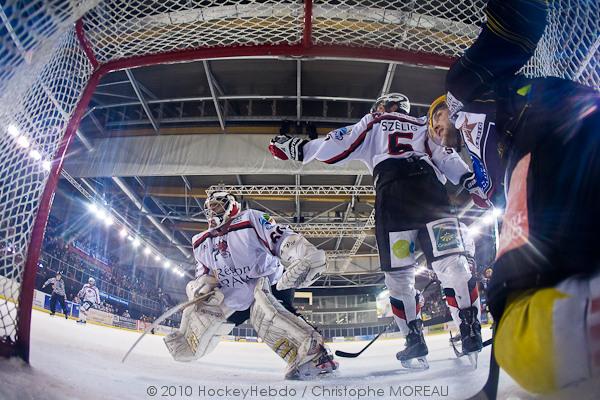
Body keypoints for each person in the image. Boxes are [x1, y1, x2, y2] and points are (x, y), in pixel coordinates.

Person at [433, 0, 600, 394]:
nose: (437, 129)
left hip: (552, 128)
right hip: (562, 153)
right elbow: (491, 195)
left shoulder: (464, 100)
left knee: (522, 323)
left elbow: (515, 27)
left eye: (435, 119)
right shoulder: (479, 169)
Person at [269, 93, 487, 368]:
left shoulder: (375, 120)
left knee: (399, 276)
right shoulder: (423, 122)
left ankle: (414, 341)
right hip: (431, 193)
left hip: (393, 197)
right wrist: (471, 181)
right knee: (451, 262)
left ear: (382, 106)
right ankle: (470, 331)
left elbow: (340, 145)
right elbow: (445, 153)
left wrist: (300, 149)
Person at [164, 191, 338, 380]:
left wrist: (304, 254)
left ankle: (317, 353)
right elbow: (203, 273)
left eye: (217, 206)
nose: (213, 212)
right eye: (210, 208)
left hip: (270, 281)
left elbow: (281, 238)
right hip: (235, 294)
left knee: (267, 313)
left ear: (231, 205)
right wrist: (201, 287)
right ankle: (189, 343)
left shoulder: (249, 220)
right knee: (205, 317)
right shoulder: (201, 242)